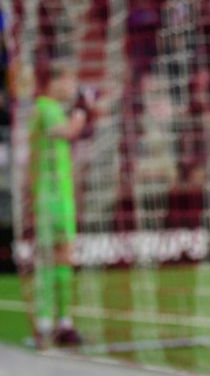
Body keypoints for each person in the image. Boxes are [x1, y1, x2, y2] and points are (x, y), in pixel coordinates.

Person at [29, 61, 88, 348]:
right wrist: (81, 112)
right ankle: (51, 324)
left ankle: (58, 323)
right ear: (56, 81)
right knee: (56, 256)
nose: (73, 86)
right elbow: (67, 131)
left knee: (61, 256)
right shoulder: (45, 108)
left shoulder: (46, 109)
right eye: (70, 80)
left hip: (55, 194)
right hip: (52, 197)